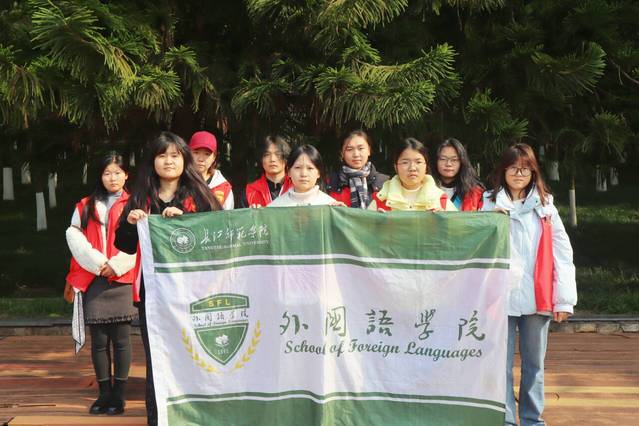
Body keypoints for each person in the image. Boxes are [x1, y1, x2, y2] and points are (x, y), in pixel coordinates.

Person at [114, 131, 220, 425]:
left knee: (195, 356)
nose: (169, 161)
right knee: (158, 360)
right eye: (162, 155)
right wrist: (131, 224)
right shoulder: (140, 197)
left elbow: (216, 236)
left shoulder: (200, 195)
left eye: (175, 155)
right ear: (153, 161)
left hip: (194, 294)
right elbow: (124, 245)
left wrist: (187, 220)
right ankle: (157, 418)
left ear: (185, 159)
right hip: (153, 296)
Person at [481, 143, 577, 426]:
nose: (519, 173)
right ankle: (507, 420)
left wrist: (564, 299)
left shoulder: (546, 207)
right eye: (513, 167)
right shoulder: (488, 204)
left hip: (538, 297)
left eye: (525, 168)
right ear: (503, 171)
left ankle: (533, 419)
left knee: (534, 363)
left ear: (533, 172)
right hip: (499, 297)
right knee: (500, 364)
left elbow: (562, 253)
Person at [64, 152, 137, 415]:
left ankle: (119, 395)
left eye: (117, 172)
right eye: (107, 173)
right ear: (100, 176)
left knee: (122, 340)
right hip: (94, 278)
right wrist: (98, 263)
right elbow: (74, 235)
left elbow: (143, 240)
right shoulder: (85, 205)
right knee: (99, 341)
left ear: (126, 175)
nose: (112, 178)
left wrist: (117, 264)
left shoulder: (136, 203)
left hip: (123, 277)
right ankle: (103, 393)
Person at [367, 138, 456, 212]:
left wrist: (444, 221)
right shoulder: (381, 199)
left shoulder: (440, 200)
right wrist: (377, 223)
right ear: (396, 167)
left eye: (418, 162)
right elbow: (365, 226)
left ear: (426, 166)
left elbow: (458, 226)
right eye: (405, 162)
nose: (412, 168)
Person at [326, 130, 389, 208]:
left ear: (369, 150)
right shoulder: (331, 183)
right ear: (342, 153)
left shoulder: (385, 183)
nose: (356, 154)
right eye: (349, 149)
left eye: (360, 148)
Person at [268, 144, 339, 207]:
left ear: (318, 172)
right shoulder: (275, 207)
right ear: (289, 171)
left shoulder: (330, 206)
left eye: (310, 168)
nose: (304, 174)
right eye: (298, 167)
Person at [432, 138, 484, 211]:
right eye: (443, 159)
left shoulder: (474, 192)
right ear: (436, 161)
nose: (448, 164)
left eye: (454, 160)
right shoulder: (427, 189)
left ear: (462, 162)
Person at [243, 135, 293, 207]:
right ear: (261, 159)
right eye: (267, 155)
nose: (272, 159)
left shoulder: (296, 188)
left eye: (278, 154)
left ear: (286, 158)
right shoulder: (250, 191)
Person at [188, 130, 234, 210]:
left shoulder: (223, 188)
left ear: (214, 157)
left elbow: (229, 216)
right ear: (188, 153)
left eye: (207, 154)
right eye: (196, 152)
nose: (201, 159)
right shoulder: (178, 182)